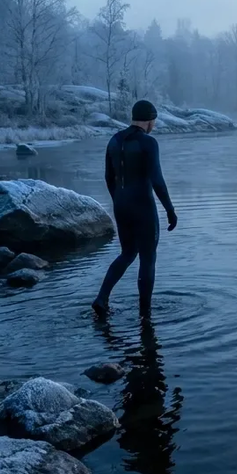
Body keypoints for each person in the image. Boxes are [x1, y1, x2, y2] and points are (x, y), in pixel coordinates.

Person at [93, 100, 178, 315]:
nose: (154, 126)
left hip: (121, 205)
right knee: (148, 258)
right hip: (143, 206)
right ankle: (145, 314)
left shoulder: (114, 140)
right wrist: (169, 209)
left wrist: (119, 201)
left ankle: (101, 298)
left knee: (128, 253)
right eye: (154, 121)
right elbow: (157, 180)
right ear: (149, 120)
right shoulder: (148, 143)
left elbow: (108, 177)